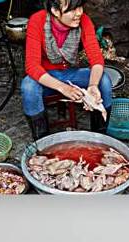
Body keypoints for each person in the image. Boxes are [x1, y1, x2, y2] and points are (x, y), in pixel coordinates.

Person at [22, 0, 113, 139]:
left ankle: (100, 136)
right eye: (72, 9)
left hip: (71, 73)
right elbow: (32, 66)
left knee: (104, 80)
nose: (79, 13)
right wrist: (63, 88)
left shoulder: (84, 21)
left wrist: (93, 85)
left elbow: (96, 58)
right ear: (55, 11)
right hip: (47, 77)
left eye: (80, 7)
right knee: (28, 86)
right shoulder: (37, 20)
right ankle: (41, 139)